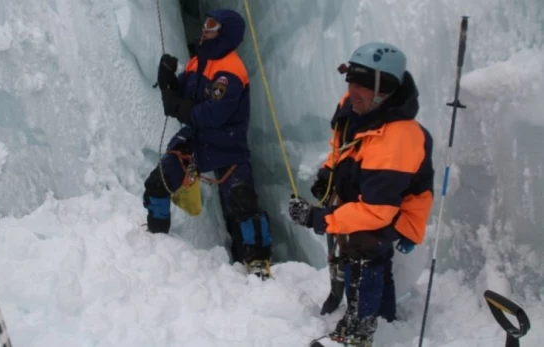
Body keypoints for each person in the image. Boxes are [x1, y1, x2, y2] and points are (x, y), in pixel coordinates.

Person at [288, 42, 434, 345]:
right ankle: (383, 314)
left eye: (364, 84)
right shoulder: (356, 106)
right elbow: (343, 148)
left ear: (386, 89)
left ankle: (358, 331)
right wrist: (329, 173)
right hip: (368, 194)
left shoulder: (399, 138)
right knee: (360, 244)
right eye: (351, 79)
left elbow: (377, 212)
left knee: (363, 244)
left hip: (396, 211)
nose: (353, 89)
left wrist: (319, 218)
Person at [144, 9, 273, 279]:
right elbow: (183, 93)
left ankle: (259, 262)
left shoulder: (231, 71)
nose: (205, 28)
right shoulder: (199, 61)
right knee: (159, 182)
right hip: (196, 140)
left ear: (225, 32)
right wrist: (168, 82)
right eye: (205, 23)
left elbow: (214, 114)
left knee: (242, 202)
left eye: (212, 25)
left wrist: (179, 107)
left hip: (227, 146)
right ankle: (154, 241)